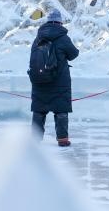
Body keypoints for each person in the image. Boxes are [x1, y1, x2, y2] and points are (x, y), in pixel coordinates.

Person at [29, 10, 80, 146]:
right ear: (60, 22)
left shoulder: (38, 38)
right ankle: (62, 139)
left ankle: (35, 139)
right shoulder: (63, 38)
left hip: (39, 80)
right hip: (59, 81)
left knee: (39, 110)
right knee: (61, 110)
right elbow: (74, 54)